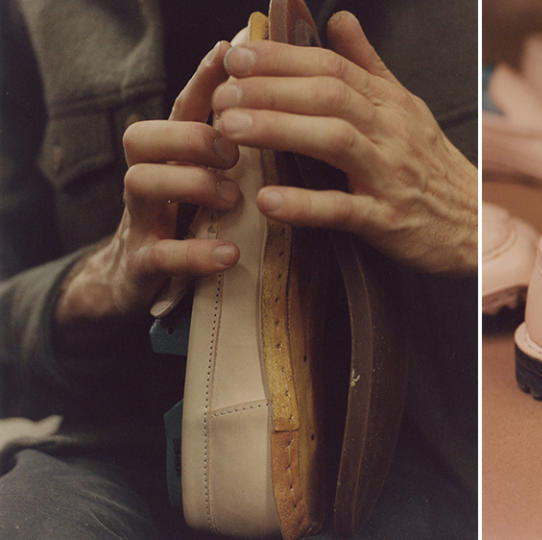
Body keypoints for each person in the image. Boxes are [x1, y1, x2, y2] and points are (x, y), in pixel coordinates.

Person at [0, 1, 477, 538]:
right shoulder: (30, 15)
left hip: (413, 459)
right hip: (117, 450)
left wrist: (473, 218)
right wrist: (96, 282)